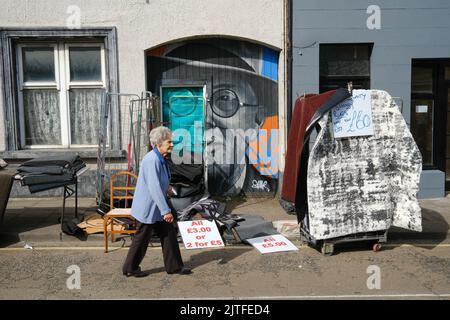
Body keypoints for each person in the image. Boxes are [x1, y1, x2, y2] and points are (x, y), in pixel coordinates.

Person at [122, 126, 192, 277]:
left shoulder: (159, 157)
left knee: (169, 234)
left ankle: (174, 267)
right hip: (149, 207)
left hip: (157, 205)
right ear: (159, 143)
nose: (172, 144)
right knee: (142, 238)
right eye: (169, 142)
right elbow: (153, 187)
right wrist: (165, 211)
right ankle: (129, 268)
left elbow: (159, 180)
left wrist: (167, 187)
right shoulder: (152, 160)